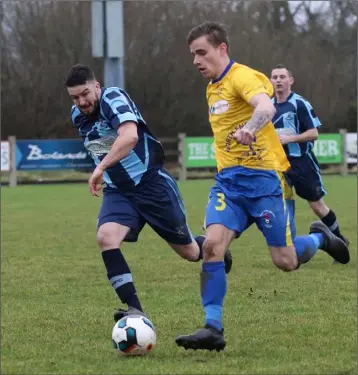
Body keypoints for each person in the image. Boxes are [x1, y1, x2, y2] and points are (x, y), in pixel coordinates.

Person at [175, 21, 350, 352]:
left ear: (221, 49)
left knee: (284, 260)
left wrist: (252, 128)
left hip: (264, 183)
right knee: (212, 247)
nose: (196, 60)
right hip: (229, 184)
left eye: (202, 52)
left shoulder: (244, 77)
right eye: (192, 55)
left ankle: (319, 238)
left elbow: (266, 107)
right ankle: (212, 328)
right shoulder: (212, 87)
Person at [65, 64, 232, 322]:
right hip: (119, 192)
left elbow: (129, 136)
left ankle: (213, 248)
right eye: (75, 97)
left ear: (97, 86)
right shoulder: (77, 115)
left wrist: (101, 167)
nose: (81, 101)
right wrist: (105, 173)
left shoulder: (113, 98)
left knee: (189, 253)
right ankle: (135, 309)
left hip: (151, 185)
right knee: (106, 237)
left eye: (85, 93)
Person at [270, 64, 349, 251]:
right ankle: (290, 247)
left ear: (291, 80)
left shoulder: (299, 103)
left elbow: (313, 133)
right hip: (279, 164)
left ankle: (339, 242)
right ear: (270, 81)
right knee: (280, 204)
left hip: (302, 163)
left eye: (282, 76)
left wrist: (290, 139)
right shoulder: (268, 106)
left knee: (317, 207)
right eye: (275, 77)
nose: (278, 80)